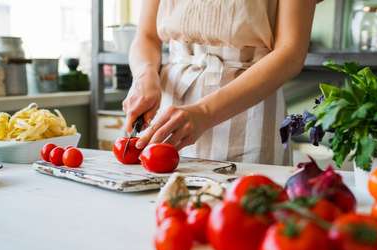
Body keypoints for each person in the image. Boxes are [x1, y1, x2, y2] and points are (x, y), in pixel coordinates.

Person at [123, 0, 320, 165]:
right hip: (170, 107)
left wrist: (205, 112)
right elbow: (146, 36)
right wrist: (144, 73)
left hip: (250, 114)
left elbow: (291, 53)